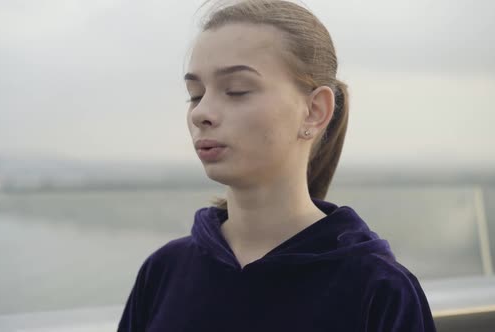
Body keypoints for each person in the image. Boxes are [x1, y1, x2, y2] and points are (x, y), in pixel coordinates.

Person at [117, 0, 436, 331]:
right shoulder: (164, 270)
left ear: (314, 111)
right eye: (195, 94)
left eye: (236, 91)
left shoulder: (378, 288)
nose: (201, 113)